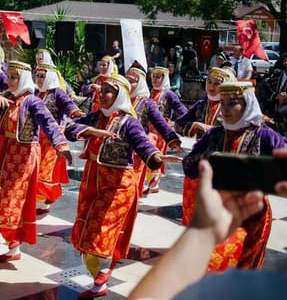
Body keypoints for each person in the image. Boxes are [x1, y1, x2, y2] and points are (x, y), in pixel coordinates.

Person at [64, 74, 181, 299]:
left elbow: (143, 144)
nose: (103, 94)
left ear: (119, 96)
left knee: (103, 228)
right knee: (87, 227)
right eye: (102, 90)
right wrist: (91, 131)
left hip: (117, 185)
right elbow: (70, 129)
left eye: (109, 91)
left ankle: (105, 271)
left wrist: (156, 156)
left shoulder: (128, 122)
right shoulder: (97, 116)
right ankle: (99, 286)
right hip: (92, 181)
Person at [129, 148, 287, 300]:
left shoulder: (268, 288)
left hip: (249, 217)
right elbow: (189, 162)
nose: (227, 112)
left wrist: (201, 231)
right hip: (226, 214)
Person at [180, 81, 287, 273]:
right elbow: (188, 165)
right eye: (223, 103)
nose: (225, 109)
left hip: (250, 217)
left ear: (247, 105)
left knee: (233, 269)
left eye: (233, 103)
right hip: (215, 212)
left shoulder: (264, 135)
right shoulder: (214, 134)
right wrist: (209, 158)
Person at [0, 61, 72, 263]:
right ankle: (13, 245)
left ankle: (14, 244)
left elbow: (49, 123)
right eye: (9, 77)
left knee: (11, 200)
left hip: (24, 156)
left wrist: (61, 145)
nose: (10, 81)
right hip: (7, 153)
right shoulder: (6, 98)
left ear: (23, 78)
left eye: (15, 77)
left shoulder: (32, 102)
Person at [34, 63, 84, 213]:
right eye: (37, 76)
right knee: (36, 167)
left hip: (52, 139)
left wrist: (75, 112)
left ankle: (42, 201)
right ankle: (42, 200)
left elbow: (68, 105)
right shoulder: (37, 93)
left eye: (42, 76)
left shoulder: (57, 93)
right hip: (37, 138)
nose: (39, 79)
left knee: (45, 169)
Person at [147, 66, 188, 194]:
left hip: (160, 130)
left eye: (158, 77)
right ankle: (150, 181)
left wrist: (189, 121)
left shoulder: (169, 94)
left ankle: (154, 182)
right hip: (147, 128)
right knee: (148, 153)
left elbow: (180, 109)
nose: (155, 80)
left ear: (164, 78)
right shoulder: (149, 92)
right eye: (153, 76)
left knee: (158, 154)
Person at [175, 67, 235, 140]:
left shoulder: (232, 107)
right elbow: (178, 124)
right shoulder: (201, 105)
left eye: (217, 83)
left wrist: (209, 128)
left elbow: (235, 131)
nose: (211, 87)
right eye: (209, 82)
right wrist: (194, 125)